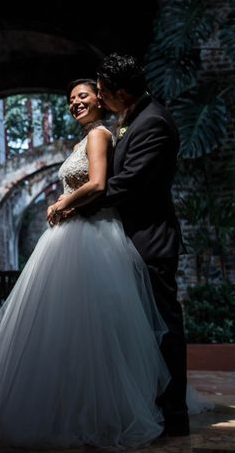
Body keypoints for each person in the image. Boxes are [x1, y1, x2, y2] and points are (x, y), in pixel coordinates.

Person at [0, 78, 172, 448]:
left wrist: (62, 204)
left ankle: (99, 408)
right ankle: (63, 401)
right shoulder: (85, 138)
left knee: (92, 324)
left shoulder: (100, 136)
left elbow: (98, 184)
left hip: (91, 234)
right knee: (62, 324)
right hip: (69, 234)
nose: (75, 102)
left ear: (101, 100)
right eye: (71, 98)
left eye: (83, 96)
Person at [86, 53, 191, 437]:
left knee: (163, 327)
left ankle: (174, 414)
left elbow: (129, 182)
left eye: (101, 92)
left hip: (151, 240)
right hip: (128, 240)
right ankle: (148, 403)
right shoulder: (132, 118)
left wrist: (79, 202)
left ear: (122, 92)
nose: (98, 98)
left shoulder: (154, 123)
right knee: (139, 328)